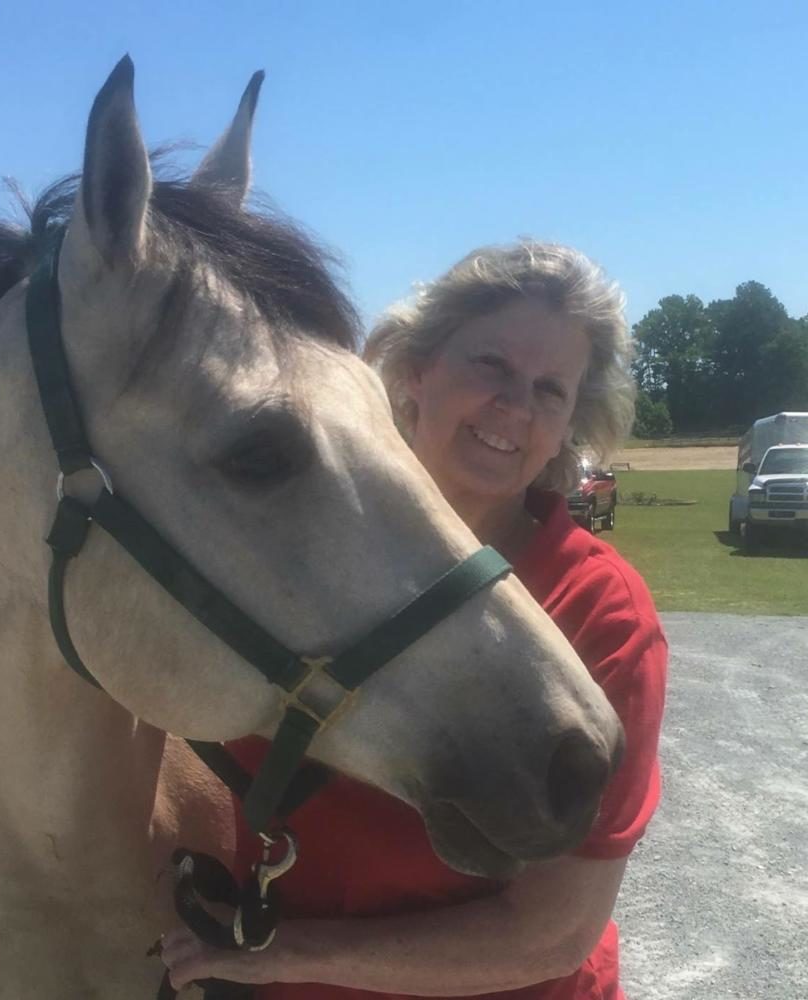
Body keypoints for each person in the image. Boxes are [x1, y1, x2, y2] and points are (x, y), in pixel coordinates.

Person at [162, 241, 668, 999]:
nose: (516, 407)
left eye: (551, 390)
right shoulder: (294, 551)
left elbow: (555, 935)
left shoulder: (597, 608)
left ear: (568, 427)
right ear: (415, 368)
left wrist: (281, 957)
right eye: (492, 365)